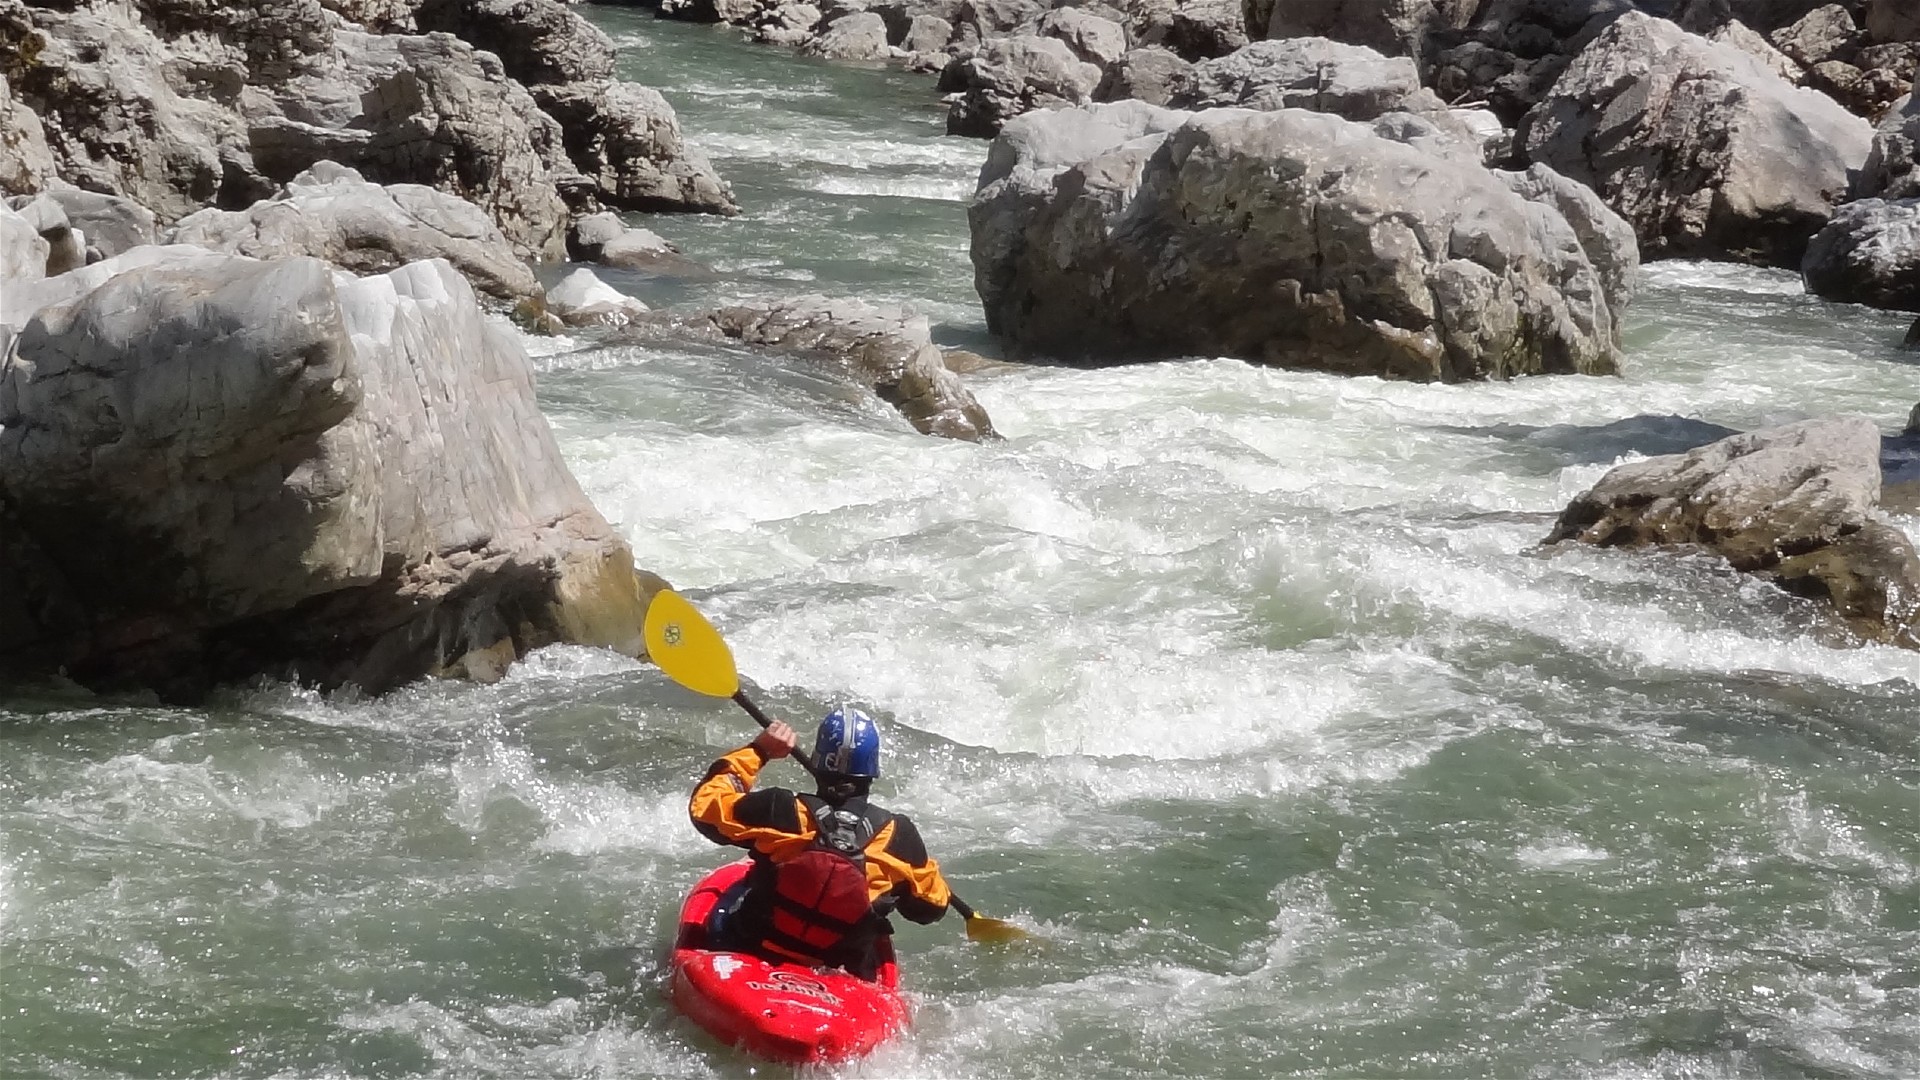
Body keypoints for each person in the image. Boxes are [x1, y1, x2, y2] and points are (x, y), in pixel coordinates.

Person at [688, 706, 952, 979]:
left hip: (753, 947)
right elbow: (930, 909)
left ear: (818, 760)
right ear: (872, 768)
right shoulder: (899, 835)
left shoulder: (781, 810)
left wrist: (759, 751)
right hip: (840, 972)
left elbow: (704, 808)